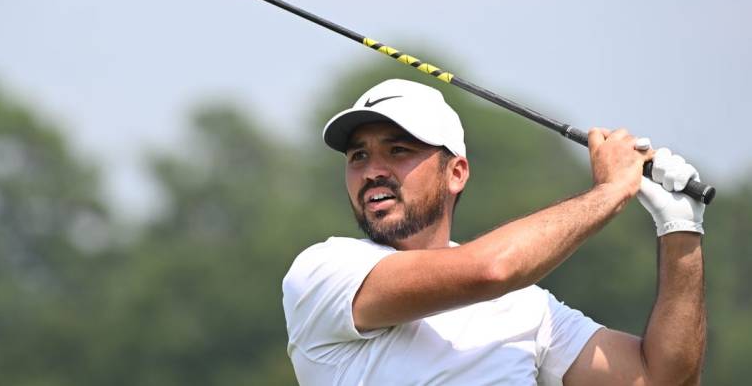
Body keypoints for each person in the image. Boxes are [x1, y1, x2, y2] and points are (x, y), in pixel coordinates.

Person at [282, 79, 706, 385]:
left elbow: (661, 379)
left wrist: (680, 230)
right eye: (358, 156)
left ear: (456, 173)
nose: (372, 171)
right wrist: (610, 192)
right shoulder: (325, 271)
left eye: (398, 151)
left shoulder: (527, 307)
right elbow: (491, 269)